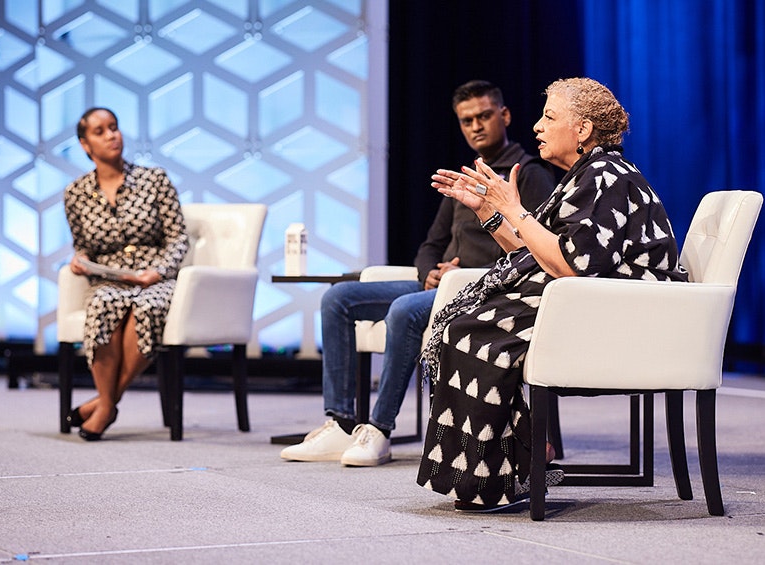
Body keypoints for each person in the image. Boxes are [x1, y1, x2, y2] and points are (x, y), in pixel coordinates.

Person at [418, 77, 689, 511]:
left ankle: (506, 472)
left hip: (623, 321)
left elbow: (570, 266)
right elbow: (538, 255)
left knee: (474, 334)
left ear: (582, 130)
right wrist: (489, 210)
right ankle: (508, 470)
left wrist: (514, 208)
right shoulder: (585, 176)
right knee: (466, 327)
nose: (538, 126)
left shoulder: (607, 176)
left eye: (549, 116)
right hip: (590, 306)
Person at [280, 80, 556, 466]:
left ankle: (378, 429)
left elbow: (534, 247)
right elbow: (430, 244)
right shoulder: (467, 175)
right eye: (466, 120)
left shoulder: (526, 174)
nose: (475, 126)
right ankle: (341, 423)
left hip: (481, 287)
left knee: (406, 310)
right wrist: (430, 272)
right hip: (440, 283)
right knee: (339, 298)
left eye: (484, 116)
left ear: (504, 116)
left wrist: (456, 276)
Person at [63, 107, 189, 441]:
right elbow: (83, 245)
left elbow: (178, 237)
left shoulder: (154, 179)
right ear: (85, 144)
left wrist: (159, 271)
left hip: (154, 277)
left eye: (114, 128)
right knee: (104, 303)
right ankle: (107, 403)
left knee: (147, 307)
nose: (111, 136)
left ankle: (104, 406)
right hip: (109, 279)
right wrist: (80, 261)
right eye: (100, 131)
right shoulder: (75, 193)